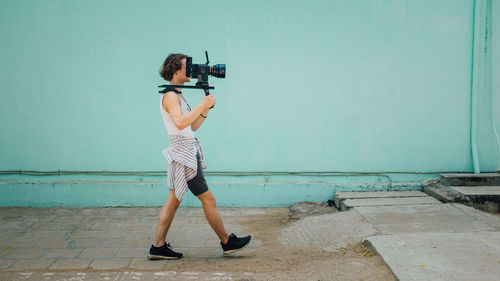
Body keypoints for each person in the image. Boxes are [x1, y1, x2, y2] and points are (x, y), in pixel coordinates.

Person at [148, 53, 251, 260]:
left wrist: (205, 110)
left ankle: (158, 247)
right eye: (189, 67)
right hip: (184, 153)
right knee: (207, 199)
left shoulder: (178, 95)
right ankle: (226, 241)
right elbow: (179, 123)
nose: (193, 70)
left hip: (186, 150)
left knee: (174, 201)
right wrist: (201, 106)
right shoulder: (170, 96)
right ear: (176, 70)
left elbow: (192, 125)